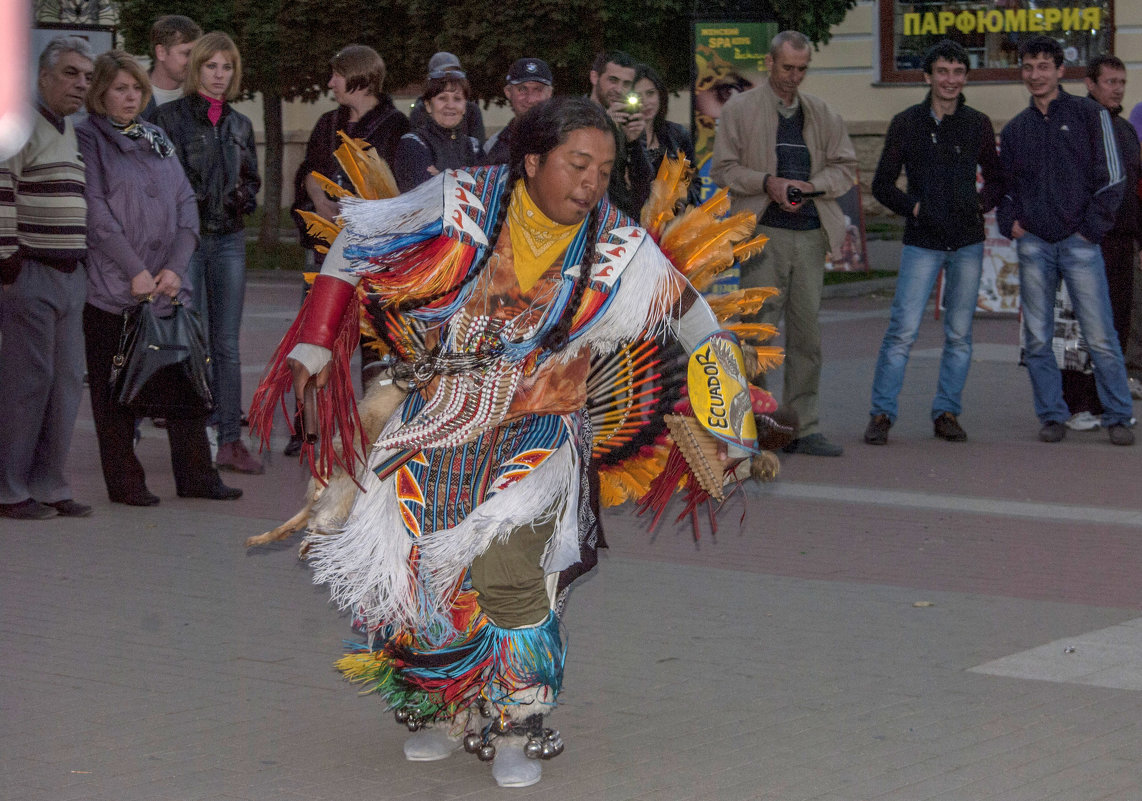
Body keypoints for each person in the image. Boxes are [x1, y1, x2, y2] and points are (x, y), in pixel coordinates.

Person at [251, 96, 759, 789]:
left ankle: (520, 718)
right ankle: (435, 700)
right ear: (531, 161)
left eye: (605, 170)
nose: (590, 183)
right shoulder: (460, 204)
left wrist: (732, 422)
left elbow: (697, 321)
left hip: (541, 426)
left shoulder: (617, 247)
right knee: (424, 565)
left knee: (515, 576)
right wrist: (317, 335)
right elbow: (355, 238)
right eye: (577, 164)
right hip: (436, 413)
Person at [75, 52, 242, 506]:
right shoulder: (87, 137)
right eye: (119, 89)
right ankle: (126, 483)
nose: (130, 97)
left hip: (169, 284)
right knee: (115, 393)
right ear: (101, 93)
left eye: (136, 89)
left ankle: (196, 477)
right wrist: (136, 271)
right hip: (117, 286)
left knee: (184, 380)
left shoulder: (155, 136)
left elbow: (186, 202)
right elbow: (96, 212)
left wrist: (175, 265)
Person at [710, 30, 858, 456]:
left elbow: (845, 167)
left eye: (802, 69)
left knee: (807, 336)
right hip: (762, 234)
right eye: (787, 67)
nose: (794, 76)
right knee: (757, 334)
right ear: (770, 63)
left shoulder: (823, 112)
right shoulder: (740, 109)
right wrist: (767, 183)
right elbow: (723, 169)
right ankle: (759, 421)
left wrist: (809, 187)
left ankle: (804, 426)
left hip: (811, 235)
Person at [864, 40, 1003, 445]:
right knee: (902, 331)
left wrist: (979, 204)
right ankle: (881, 414)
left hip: (967, 243)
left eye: (958, 72)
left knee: (960, 334)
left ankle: (946, 412)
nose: (950, 80)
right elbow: (881, 185)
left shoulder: (977, 123)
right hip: (922, 242)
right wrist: (916, 209)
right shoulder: (906, 123)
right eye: (942, 72)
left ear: (964, 78)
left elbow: (997, 178)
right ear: (928, 77)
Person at [997, 36, 1133, 446]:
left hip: (1080, 244)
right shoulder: (1017, 128)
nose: (1035, 74)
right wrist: (1009, 219)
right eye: (1028, 67)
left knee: (1100, 335)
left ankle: (1119, 415)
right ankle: (1052, 414)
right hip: (1035, 244)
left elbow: (1113, 177)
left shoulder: (1090, 115)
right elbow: (1006, 185)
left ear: (1060, 71)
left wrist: (1089, 230)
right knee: (1038, 338)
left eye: (1043, 66)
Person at [285, 44, 410, 456]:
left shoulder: (394, 126)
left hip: (372, 256)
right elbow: (309, 173)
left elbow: (396, 189)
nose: (330, 83)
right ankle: (309, 427)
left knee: (375, 346)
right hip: (325, 249)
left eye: (337, 75)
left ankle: (372, 426)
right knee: (317, 336)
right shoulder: (328, 122)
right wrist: (316, 195)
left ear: (358, 77)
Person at [155, 32, 264, 471]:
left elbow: (252, 179)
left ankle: (231, 439)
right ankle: (196, 436)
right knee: (192, 340)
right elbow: (160, 183)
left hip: (230, 239)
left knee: (227, 344)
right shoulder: (169, 119)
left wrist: (244, 198)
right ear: (197, 68)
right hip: (189, 242)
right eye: (212, 66)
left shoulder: (240, 124)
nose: (220, 75)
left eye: (227, 67)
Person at [0, 36, 94, 520]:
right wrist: (7, 261)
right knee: (25, 385)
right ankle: (8, 490)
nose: (81, 84)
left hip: (70, 274)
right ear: (43, 77)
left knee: (64, 384)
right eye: (71, 73)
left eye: (86, 76)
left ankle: (50, 484)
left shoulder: (68, 128)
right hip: (30, 273)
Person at [1059, 55, 1142, 429]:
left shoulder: (1125, 130)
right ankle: (1079, 404)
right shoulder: (1077, 125)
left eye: (1122, 81)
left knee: (1117, 325)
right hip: (1088, 241)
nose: (1118, 88)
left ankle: (1109, 399)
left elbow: (1136, 191)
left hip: (1124, 243)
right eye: (1110, 82)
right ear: (1090, 84)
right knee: (1081, 328)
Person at [393, 66, 483, 192]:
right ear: (428, 105)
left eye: (457, 99)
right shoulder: (413, 144)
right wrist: (467, 182)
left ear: (465, 107)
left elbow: (488, 193)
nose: (450, 105)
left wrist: (443, 179)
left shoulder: (473, 147)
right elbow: (425, 195)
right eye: (442, 98)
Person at [587, 50, 654, 218]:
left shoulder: (628, 119)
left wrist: (634, 142)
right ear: (595, 77)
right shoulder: (572, 115)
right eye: (613, 80)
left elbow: (644, 185)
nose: (619, 89)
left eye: (626, 84)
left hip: (620, 220)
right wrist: (605, 127)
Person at [632, 63, 700, 207]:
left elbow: (694, 183)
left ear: (660, 95)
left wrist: (679, 200)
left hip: (672, 223)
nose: (645, 102)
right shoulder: (618, 138)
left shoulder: (677, 134)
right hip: (628, 223)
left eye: (650, 93)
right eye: (637, 96)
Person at [484, 57, 553, 165]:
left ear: (549, 93)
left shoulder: (564, 139)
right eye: (522, 89)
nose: (530, 99)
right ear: (508, 92)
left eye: (538, 90)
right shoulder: (493, 145)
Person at [408, 52, 485, 147]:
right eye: (443, 73)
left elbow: (479, 145)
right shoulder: (418, 113)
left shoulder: (472, 111)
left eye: (454, 73)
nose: (450, 105)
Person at [140, 14, 201, 121]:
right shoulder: (131, 97)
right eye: (186, 54)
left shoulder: (200, 101)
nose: (193, 61)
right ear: (161, 52)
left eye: (196, 55)